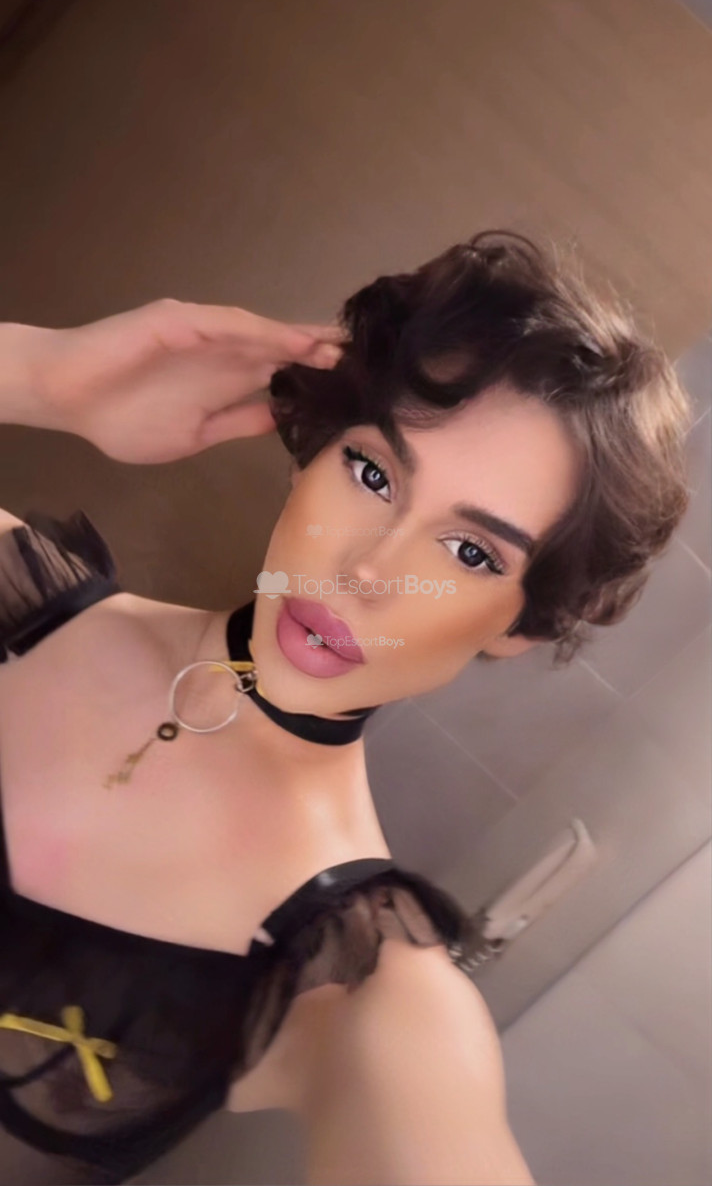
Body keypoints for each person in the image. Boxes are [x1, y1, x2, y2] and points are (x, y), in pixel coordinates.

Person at [0, 231, 691, 1185]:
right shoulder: (18, 606)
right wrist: (41, 377)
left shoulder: (367, 988)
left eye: (471, 553)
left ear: (520, 626)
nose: (367, 571)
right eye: (373, 474)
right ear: (309, 455)